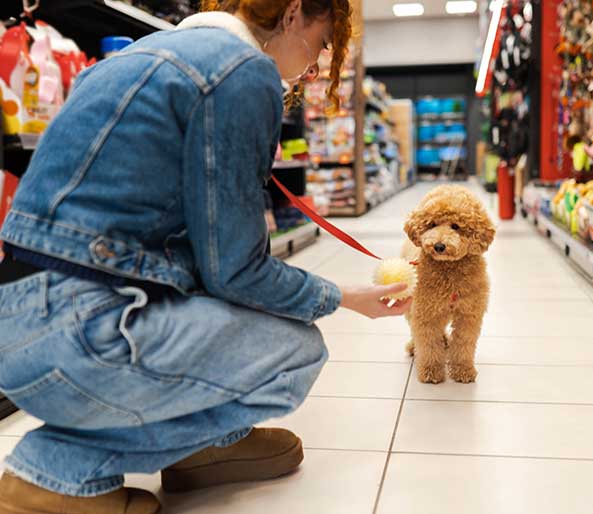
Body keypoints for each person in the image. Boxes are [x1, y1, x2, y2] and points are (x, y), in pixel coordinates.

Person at [0, 1, 411, 512]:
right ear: (293, 14)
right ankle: (54, 472)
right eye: (322, 42)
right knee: (296, 351)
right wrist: (344, 297)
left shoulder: (132, 59)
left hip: (20, 327)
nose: (315, 64)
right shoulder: (242, 70)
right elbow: (238, 271)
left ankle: (212, 445)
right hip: (84, 334)